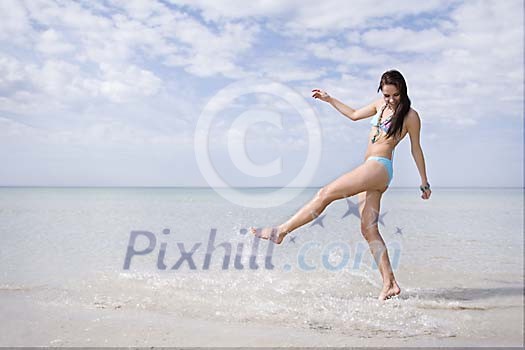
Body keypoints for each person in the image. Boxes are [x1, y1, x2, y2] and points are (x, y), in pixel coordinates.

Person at [250, 69, 431, 300]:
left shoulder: (410, 116)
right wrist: (329, 99)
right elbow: (354, 114)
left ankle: (281, 231)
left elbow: (416, 148)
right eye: (387, 95)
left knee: (325, 193)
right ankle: (390, 283)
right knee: (368, 229)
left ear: (403, 91)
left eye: (395, 95)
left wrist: (424, 182)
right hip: (373, 170)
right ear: (381, 92)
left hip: (379, 166)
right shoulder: (379, 106)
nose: (392, 99)